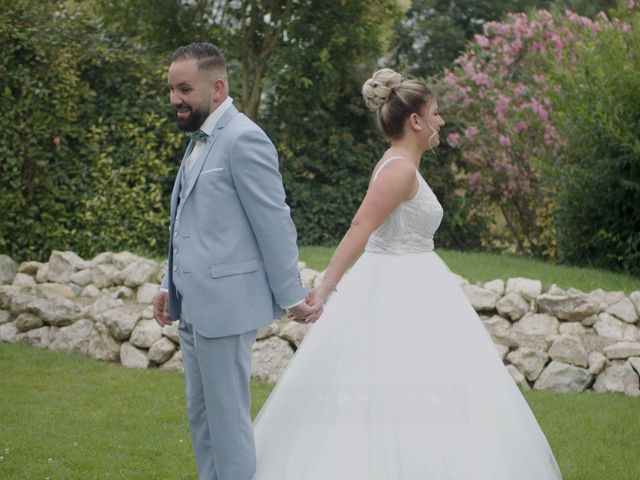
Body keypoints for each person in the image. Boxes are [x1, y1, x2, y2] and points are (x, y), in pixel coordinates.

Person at [251, 68, 563, 479]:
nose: (440, 121)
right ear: (415, 120)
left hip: (417, 284)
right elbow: (360, 226)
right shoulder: (399, 169)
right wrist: (324, 289)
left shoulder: (402, 165)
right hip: (396, 290)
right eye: (435, 113)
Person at [152, 42, 321, 480]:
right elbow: (187, 224)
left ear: (218, 86)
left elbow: (274, 222)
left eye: (184, 88)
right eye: (172, 89)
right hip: (192, 305)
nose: (175, 99)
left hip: (225, 308)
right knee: (204, 421)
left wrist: (291, 296)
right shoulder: (198, 141)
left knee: (228, 424)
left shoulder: (244, 137)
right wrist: (168, 285)